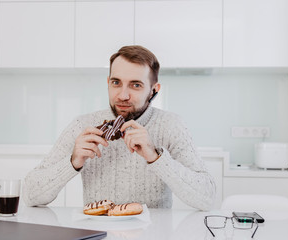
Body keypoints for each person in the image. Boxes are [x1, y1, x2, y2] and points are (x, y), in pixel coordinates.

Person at [23, 45, 216, 210]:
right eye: (116, 83)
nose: (123, 95)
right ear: (108, 83)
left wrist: (155, 157)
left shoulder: (171, 125)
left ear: (153, 90)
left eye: (136, 85)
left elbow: (206, 198)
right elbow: (30, 195)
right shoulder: (82, 126)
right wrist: (73, 162)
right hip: (98, 234)